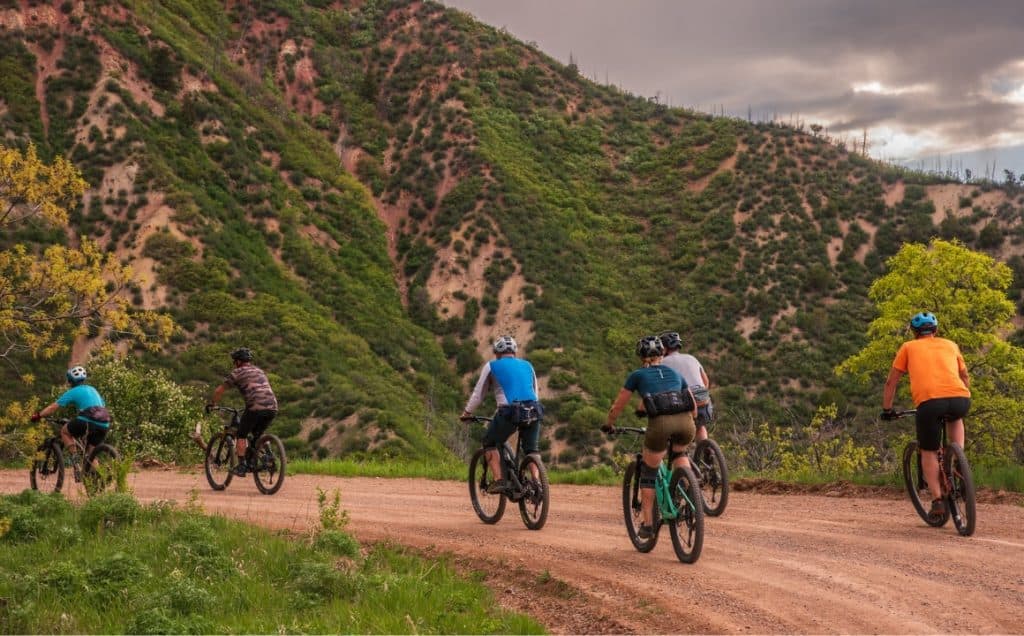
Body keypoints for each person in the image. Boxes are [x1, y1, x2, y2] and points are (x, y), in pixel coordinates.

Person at [603, 336, 697, 539]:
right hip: (687, 424)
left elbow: (618, 405)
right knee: (680, 452)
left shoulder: (637, 375)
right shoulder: (675, 373)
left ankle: (647, 524)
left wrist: (609, 424)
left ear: (641, 356)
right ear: (661, 354)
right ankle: (692, 497)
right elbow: (694, 408)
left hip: (660, 425)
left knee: (648, 473)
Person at [881, 312, 970, 523]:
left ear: (914, 333)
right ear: (936, 331)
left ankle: (938, 500)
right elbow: (964, 375)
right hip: (960, 398)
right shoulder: (950, 344)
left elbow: (891, 382)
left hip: (929, 403)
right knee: (955, 418)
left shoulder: (908, 347)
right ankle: (958, 463)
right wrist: (962, 395)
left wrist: (887, 409)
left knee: (928, 451)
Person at [461, 335, 543, 494]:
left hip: (510, 412)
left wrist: (467, 413)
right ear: (514, 352)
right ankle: (537, 482)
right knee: (532, 450)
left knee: (489, 442)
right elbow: (535, 393)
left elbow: (478, 395)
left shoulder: (492, 366)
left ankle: (499, 480)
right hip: (533, 410)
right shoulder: (528, 365)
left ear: (497, 353)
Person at [207, 347, 278, 477]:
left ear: (238, 362)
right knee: (258, 434)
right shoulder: (260, 371)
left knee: (241, 434)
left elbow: (219, 391)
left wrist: (212, 404)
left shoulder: (237, 373)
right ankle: (269, 456)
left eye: (234, 361)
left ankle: (241, 465)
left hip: (255, 407)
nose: (234, 363)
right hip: (272, 407)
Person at [31, 365, 112, 458]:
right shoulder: (92, 389)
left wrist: (38, 415)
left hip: (86, 421)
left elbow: (52, 408)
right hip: (104, 423)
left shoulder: (73, 391)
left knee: (65, 432)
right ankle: (97, 472)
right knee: (91, 455)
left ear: (70, 381)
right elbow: (101, 405)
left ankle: (75, 458)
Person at [659, 331, 714, 441]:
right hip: (704, 400)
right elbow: (706, 382)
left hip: (684, 402)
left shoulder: (662, 363)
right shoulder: (691, 358)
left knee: (676, 433)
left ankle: (681, 454)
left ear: (664, 348)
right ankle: (706, 449)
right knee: (700, 426)